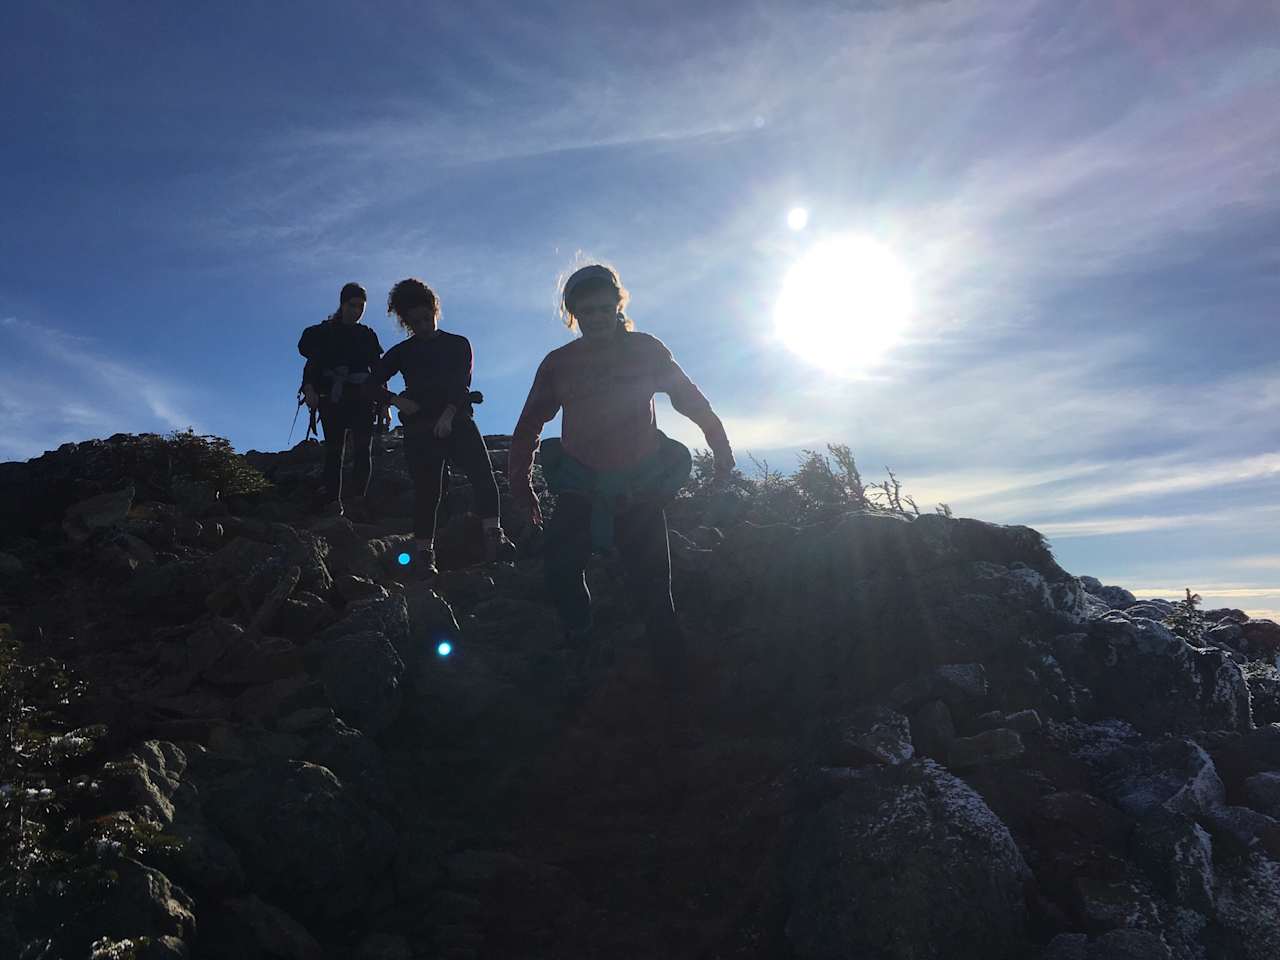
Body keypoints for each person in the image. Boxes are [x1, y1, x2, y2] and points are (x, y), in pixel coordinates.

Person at [508, 263, 735, 690]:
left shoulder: (646, 350)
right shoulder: (559, 364)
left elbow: (691, 400)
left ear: (618, 305)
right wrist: (521, 486)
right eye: (585, 311)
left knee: (654, 591)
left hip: (640, 489)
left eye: (604, 308)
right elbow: (528, 426)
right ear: (572, 313)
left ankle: (676, 684)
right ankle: (582, 645)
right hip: (580, 486)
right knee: (559, 572)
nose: (596, 318)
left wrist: (720, 447)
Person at [373, 278, 515, 577]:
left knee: (483, 476)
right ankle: (425, 556)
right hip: (420, 428)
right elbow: (370, 383)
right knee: (428, 492)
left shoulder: (458, 343)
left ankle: (494, 537)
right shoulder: (401, 352)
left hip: (458, 420)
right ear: (405, 322)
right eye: (415, 322)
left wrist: (448, 415)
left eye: (427, 318)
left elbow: (461, 382)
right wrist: (395, 400)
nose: (423, 325)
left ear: (435, 311)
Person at [298, 282, 385, 516]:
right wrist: (309, 389)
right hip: (332, 397)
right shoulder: (322, 333)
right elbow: (312, 363)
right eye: (352, 305)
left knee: (362, 451)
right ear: (342, 304)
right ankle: (333, 501)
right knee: (334, 451)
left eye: (361, 306)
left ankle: (356, 500)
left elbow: (378, 371)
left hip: (362, 398)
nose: (357, 310)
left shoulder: (366, 335)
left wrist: (383, 403)